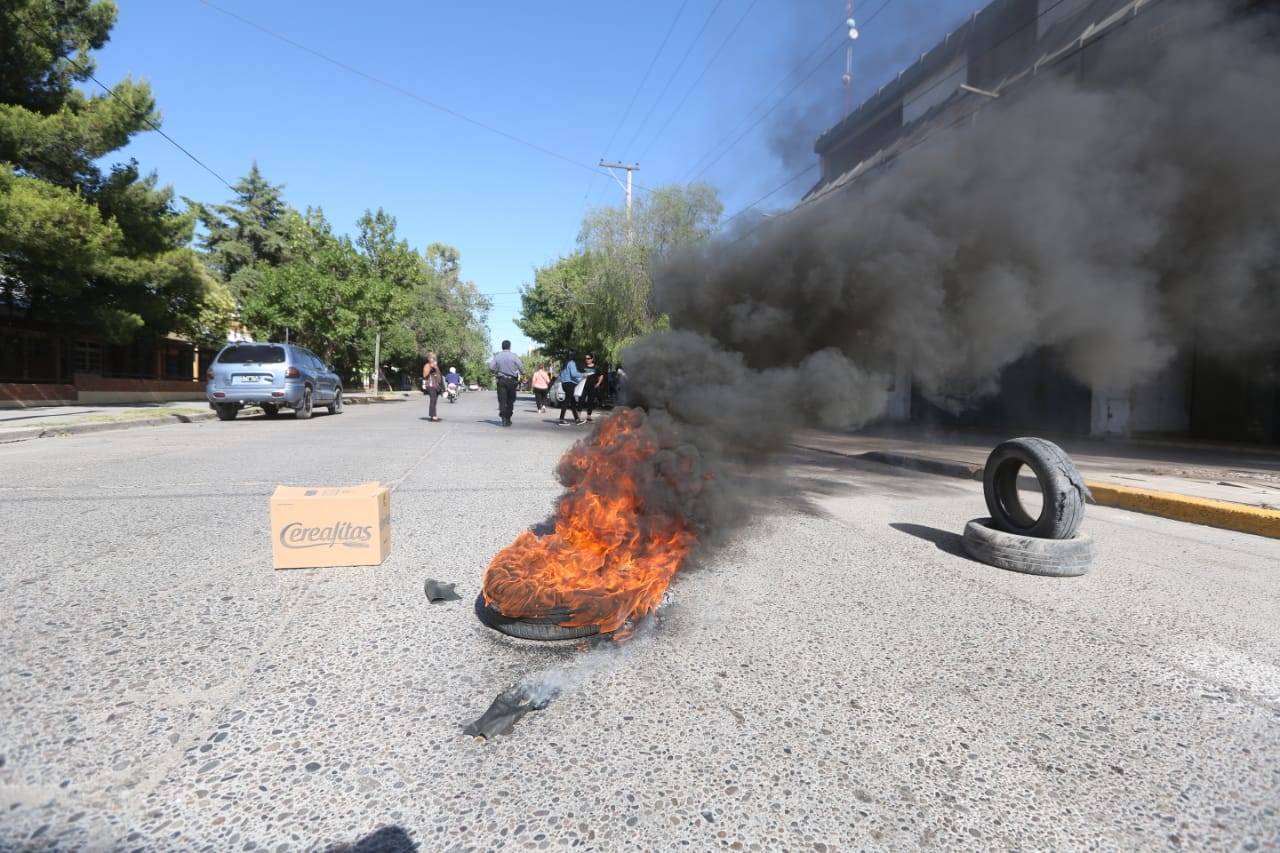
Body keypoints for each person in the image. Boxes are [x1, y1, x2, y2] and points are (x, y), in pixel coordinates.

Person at [488, 340, 525, 427]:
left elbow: (490, 367)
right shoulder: (514, 356)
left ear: (502, 347)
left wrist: (495, 371)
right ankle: (507, 418)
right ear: (509, 347)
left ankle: (504, 418)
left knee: (502, 400)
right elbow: (520, 366)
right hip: (512, 381)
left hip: (501, 380)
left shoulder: (497, 356)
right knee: (510, 400)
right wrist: (523, 374)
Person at [557, 351, 585, 425]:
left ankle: (577, 419)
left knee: (573, 402)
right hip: (570, 384)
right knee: (567, 401)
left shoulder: (564, 364)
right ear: (573, 356)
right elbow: (574, 374)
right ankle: (561, 419)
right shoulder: (572, 363)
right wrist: (583, 375)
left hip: (564, 384)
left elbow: (560, 374)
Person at [580, 353, 607, 423]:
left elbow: (601, 375)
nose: (587, 360)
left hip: (593, 387)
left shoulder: (596, 367)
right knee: (581, 400)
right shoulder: (583, 367)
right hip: (584, 387)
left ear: (592, 359)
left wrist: (598, 383)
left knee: (590, 402)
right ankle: (577, 416)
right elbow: (578, 374)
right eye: (585, 358)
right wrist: (582, 376)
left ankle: (589, 417)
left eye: (588, 358)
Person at [422, 353, 443, 421]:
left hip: (436, 386)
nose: (433, 359)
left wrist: (442, 386)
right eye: (432, 358)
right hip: (430, 385)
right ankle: (433, 416)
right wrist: (431, 367)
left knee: (435, 401)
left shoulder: (436, 366)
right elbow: (425, 375)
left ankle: (434, 415)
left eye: (434, 358)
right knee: (433, 400)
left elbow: (439, 375)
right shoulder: (427, 365)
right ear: (429, 358)